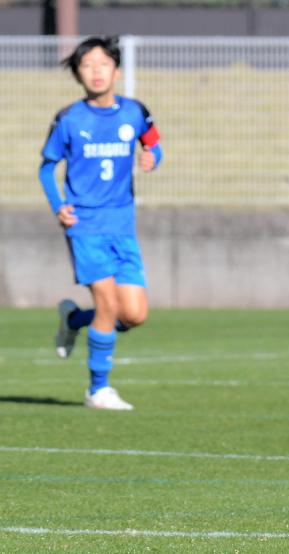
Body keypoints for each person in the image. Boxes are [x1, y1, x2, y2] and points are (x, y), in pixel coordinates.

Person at [39, 35, 163, 411]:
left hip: (122, 225)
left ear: (116, 71)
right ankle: (98, 389)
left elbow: (154, 143)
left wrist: (153, 158)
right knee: (108, 303)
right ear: (78, 73)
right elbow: (47, 167)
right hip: (85, 225)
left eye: (103, 64)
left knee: (134, 315)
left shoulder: (135, 112)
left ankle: (74, 319)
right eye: (87, 65)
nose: (96, 71)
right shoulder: (69, 119)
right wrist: (59, 206)